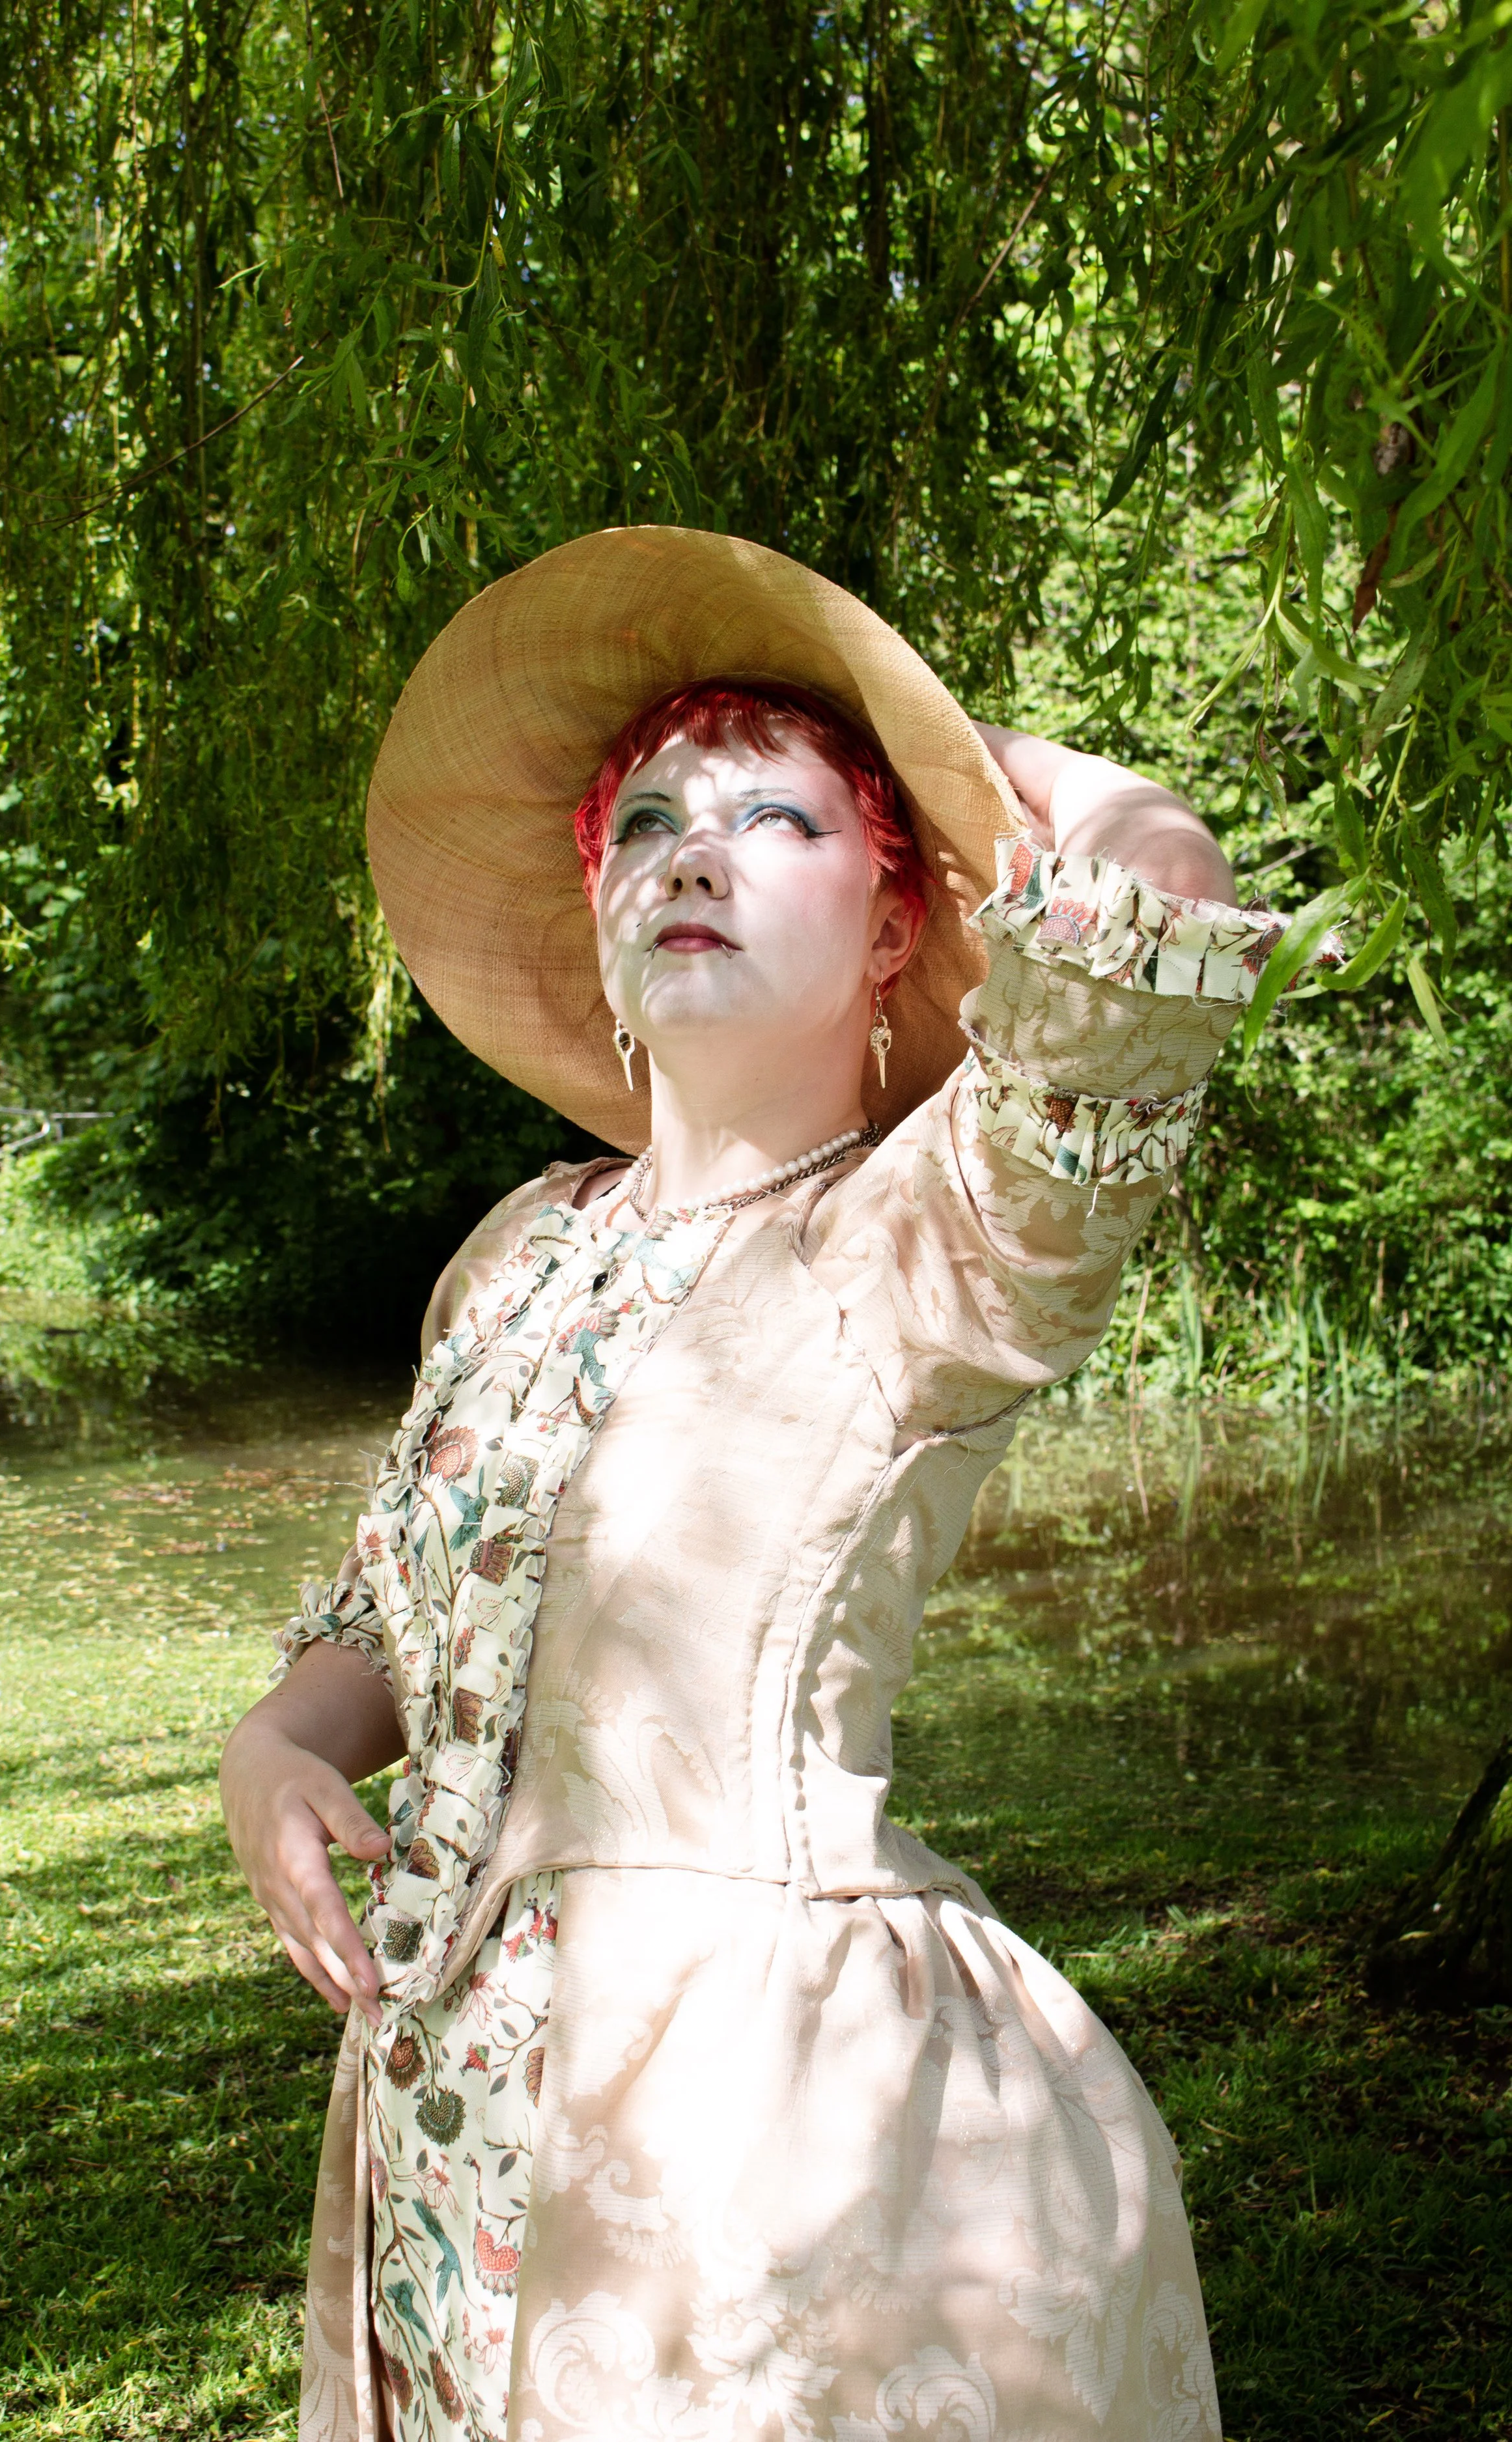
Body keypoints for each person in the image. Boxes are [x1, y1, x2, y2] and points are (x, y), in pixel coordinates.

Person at [221, 527, 1334, 2442]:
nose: (692, 850)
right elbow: (393, 1604)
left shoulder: (936, 1234)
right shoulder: (516, 1246)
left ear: (900, 921)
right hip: (445, 2098)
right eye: (645, 819)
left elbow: (1160, 883)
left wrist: (933, 750)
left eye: (777, 820)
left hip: (762, 2122)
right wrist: (276, 1744)